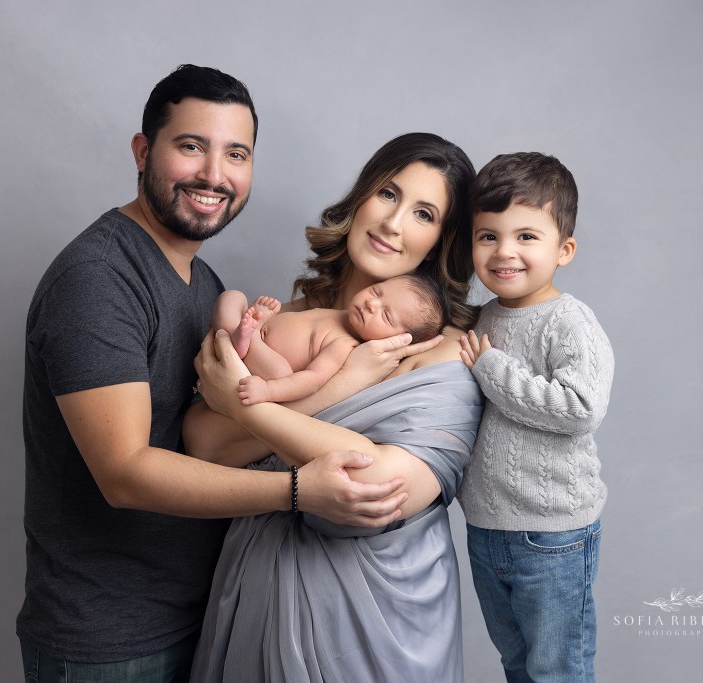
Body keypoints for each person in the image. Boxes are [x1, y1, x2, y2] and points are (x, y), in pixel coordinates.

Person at [17, 64, 413, 683]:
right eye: (191, 146)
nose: (214, 175)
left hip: (205, 620)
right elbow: (126, 473)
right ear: (143, 151)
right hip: (110, 639)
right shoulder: (98, 279)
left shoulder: (207, 287)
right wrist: (299, 492)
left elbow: (216, 433)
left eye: (237, 154)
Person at [184, 132, 484, 682]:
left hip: (376, 619)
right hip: (257, 595)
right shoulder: (292, 316)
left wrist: (247, 409)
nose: (393, 223)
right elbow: (202, 445)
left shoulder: (445, 352)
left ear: (443, 240)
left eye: (423, 213)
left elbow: (381, 491)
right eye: (389, 195)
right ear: (362, 197)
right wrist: (337, 387)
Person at [456, 152, 615, 683]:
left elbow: (580, 407)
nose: (505, 252)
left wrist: (491, 366)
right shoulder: (482, 318)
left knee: (556, 670)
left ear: (563, 249)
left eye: (526, 236)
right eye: (488, 236)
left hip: (553, 535)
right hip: (486, 527)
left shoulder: (568, 322)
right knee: (518, 664)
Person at [212, 272, 447, 404]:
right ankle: (240, 336)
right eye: (376, 291)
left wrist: (268, 391)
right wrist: (264, 317)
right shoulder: (339, 312)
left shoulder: (345, 345)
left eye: (386, 315)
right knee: (231, 296)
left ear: (399, 340)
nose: (371, 303)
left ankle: (242, 341)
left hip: (267, 368)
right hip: (257, 338)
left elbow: (311, 379)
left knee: (281, 373)